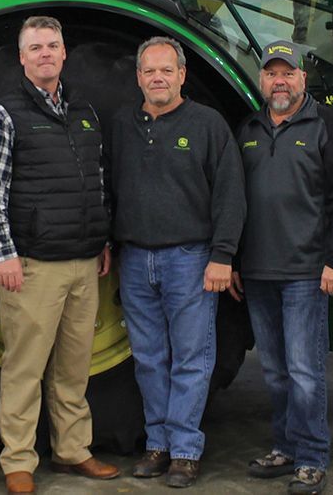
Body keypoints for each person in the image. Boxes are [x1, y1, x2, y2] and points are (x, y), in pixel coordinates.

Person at [0, 15, 119, 495]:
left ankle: (73, 449)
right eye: (35, 47)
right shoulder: (3, 113)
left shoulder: (84, 111)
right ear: (22, 57)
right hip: (32, 265)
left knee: (73, 368)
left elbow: (97, 181)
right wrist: (3, 253)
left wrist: (101, 241)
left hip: (82, 262)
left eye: (52, 46)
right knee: (25, 367)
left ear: (64, 53)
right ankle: (17, 458)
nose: (45, 54)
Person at [111, 37, 245, 488]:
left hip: (189, 257)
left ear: (182, 75)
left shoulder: (207, 125)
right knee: (149, 358)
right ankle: (158, 444)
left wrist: (222, 255)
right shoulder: (123, 125)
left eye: (166, 70)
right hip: (134, 258)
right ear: (138, 78)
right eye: (150, 71)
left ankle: (185, 450)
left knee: (191, 357)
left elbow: (230, 194)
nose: (158, 78)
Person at [234, 40, 333, 495]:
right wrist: (232, 258)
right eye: (271, 73)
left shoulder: (326, 126)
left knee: (306, 371)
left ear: (303, 79)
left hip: (307, 272)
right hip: (258, 272)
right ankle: (285, 447)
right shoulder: (247, 127)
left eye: (287, 73)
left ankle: (311, 458)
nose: (279, 81)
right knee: (274, 370)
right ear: (262, 80)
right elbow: (234, 203)